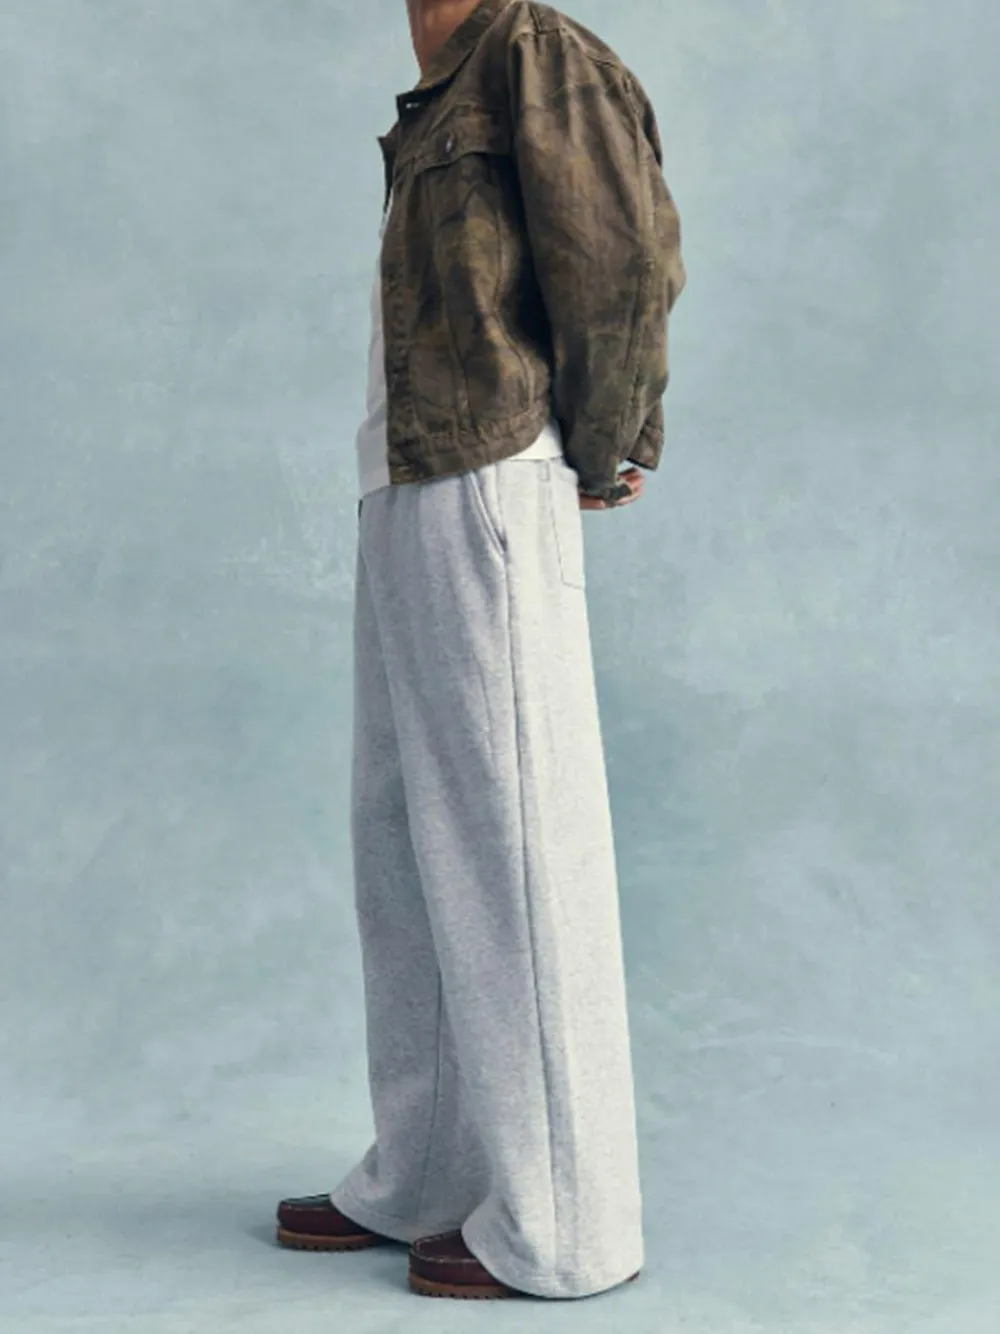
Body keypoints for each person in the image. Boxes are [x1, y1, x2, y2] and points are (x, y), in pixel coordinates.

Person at [275, 0, 685, 1302]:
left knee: (515, 839)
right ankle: (431, 1171)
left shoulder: (535, 52)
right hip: (404, 477)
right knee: (405, 834)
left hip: (492, 473)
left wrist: (607, 440)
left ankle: (568, 1223)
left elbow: (618, 257)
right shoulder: (438, 83)